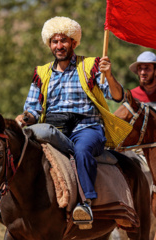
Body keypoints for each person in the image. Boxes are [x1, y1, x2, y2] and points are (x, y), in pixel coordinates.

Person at [15, 16, 131, 227]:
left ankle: (85, 203)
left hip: (87, 128)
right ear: (49, 44)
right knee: (18, 148)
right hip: (53, 129)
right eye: (55, 41)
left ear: (74, 43)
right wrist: (24, 118)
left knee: (81, 150)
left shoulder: (90, 66)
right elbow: (33, 108)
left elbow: (117, 96)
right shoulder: (41, 73)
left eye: (64, 41)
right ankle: (6, 203)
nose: (59, 46)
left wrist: (109, 75)